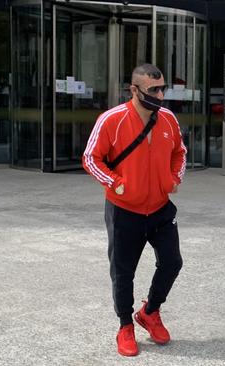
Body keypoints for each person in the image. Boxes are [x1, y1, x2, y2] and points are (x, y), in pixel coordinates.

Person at [83, 64, 187, 357]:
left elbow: (180, 152)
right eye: (153, 89)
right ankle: (125, 325)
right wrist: (116, 183)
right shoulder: (111, 120)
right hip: (124, 209)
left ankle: (150, 312)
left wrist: (174, 178)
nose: (160, 94)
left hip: (160, 207)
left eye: (162, 88)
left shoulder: (167, 119)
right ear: (134, 90)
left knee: (172, 262)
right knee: (123, 271)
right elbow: (91, 158)